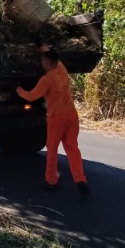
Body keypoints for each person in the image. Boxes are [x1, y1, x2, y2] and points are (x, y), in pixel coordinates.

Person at [16, 48, 90, 194]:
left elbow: (31, 96)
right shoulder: (62, 69)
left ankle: (51, 181)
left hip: (57, 118)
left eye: (43, 60)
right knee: (72, 148)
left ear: (47, 63)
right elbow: (52, 54)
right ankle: (80, 179)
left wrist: (18, 89)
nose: (41, 62)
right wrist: (43, 46)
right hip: (71, 115)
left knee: (52, 150)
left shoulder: (47, 79)